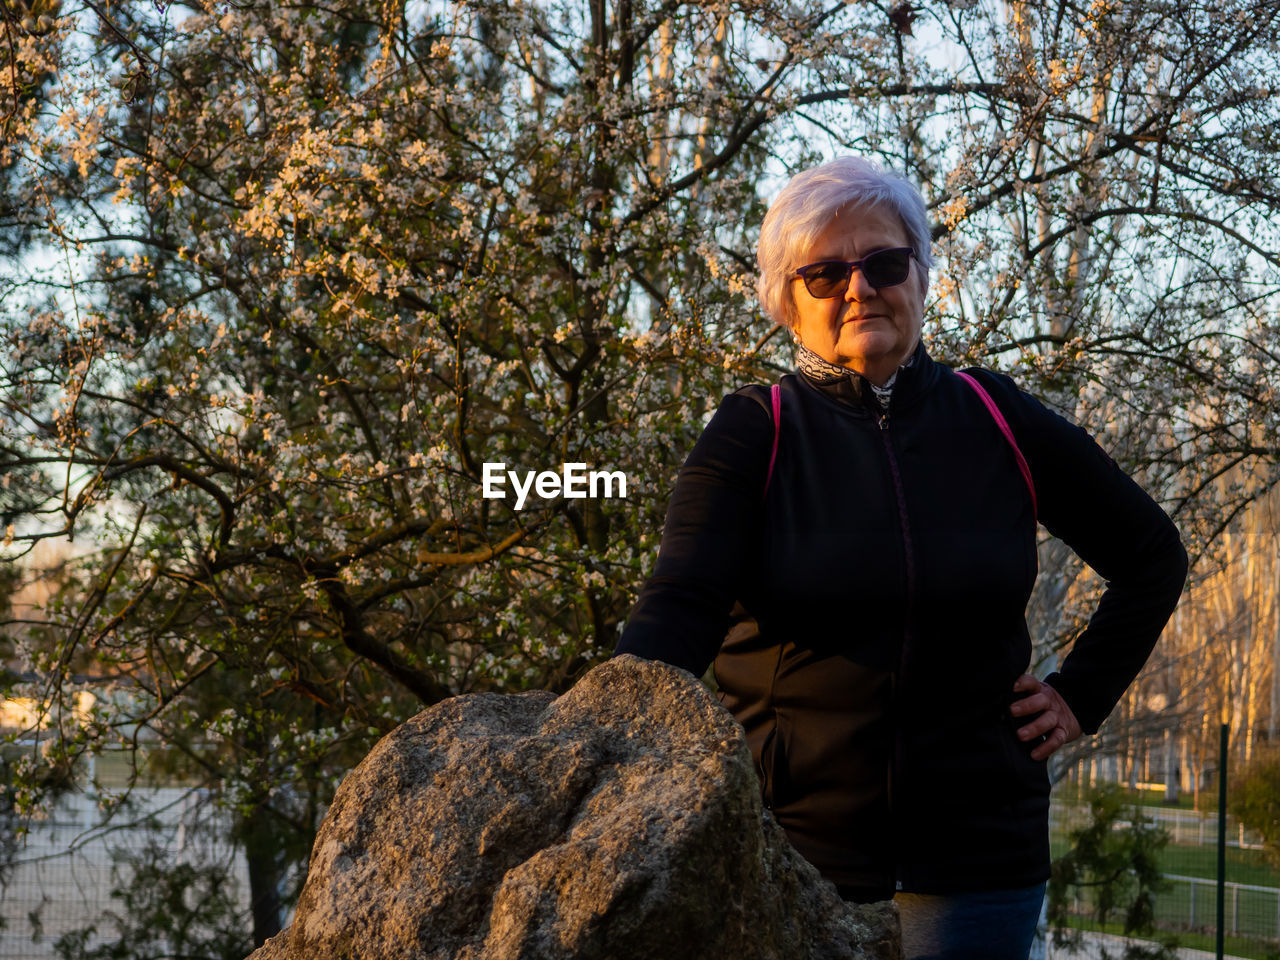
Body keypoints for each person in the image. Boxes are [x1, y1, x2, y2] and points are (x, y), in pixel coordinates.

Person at [614, 156, 1188, 960]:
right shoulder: (756, 431)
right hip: (794, 856)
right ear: (788, 301)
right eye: (824, 274)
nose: (859, 288)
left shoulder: (996, 416)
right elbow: (680, 606)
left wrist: (1081, 695)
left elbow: (1153, 555)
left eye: (884, 262)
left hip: (979, 866)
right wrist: (604, 735)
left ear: (919, 275)